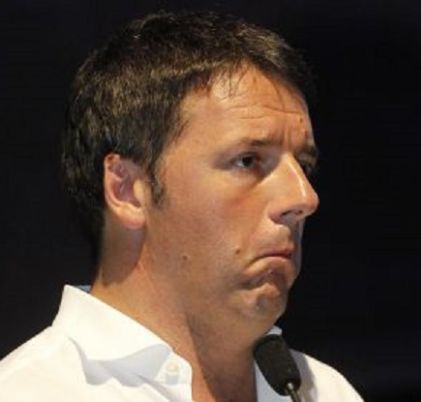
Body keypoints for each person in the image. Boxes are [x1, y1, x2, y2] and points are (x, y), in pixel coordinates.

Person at [0, 10, 363, 402]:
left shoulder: (324, 391)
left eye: (304, 165)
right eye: (248, 161)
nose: (304, 198)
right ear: (127, 190)